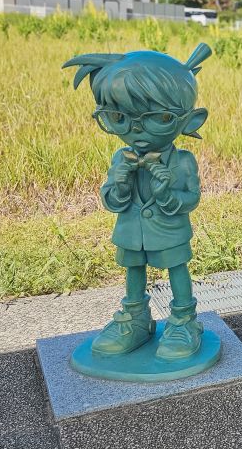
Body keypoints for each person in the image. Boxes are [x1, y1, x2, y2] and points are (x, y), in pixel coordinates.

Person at [64, 44, 211, 361]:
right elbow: (112, 200)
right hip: (131, 230)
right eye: (119, 117)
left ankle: (185, 320)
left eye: (158, 117)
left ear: (188, 120)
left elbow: (191, 198)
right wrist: (118, 183)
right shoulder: (121, 157)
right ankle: (135, 318)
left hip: (169, 231)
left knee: (176, 268)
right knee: (133, 267)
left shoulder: (183, 161)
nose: (136, 128)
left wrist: (166, 195)